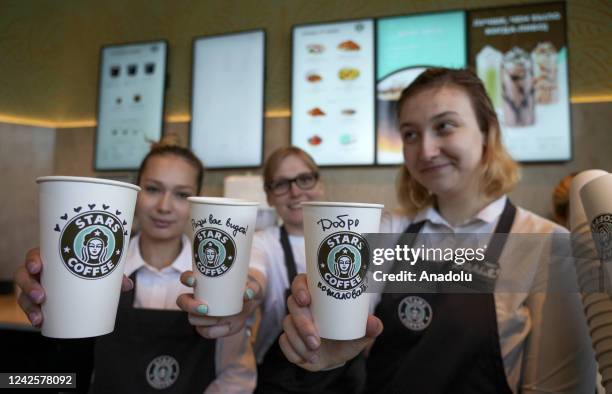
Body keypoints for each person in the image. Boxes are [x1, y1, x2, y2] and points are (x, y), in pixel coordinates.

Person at [278, 68, 596, 393]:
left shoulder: (548, 245)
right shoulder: (390, 228)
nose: (426, 150)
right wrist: (323, 338)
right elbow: (345, 306)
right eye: (410, 135)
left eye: (444, 126)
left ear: (488, 131)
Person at [15, 141, 256, 393]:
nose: (164, 206)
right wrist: (41, 286)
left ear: (196, 201)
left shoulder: (217, 279)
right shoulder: (99, 269)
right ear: (135, 192)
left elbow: (237, 373)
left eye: (181, 194)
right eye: (153, 189)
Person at [177, 146, 365, 393]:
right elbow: (254, 278)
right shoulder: (262, 242)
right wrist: (240, 296)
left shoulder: (362, 237)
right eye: (281, 184)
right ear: (269, 195)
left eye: (305, 179)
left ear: (319, 184)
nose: (296, 191)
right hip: (279, 381)